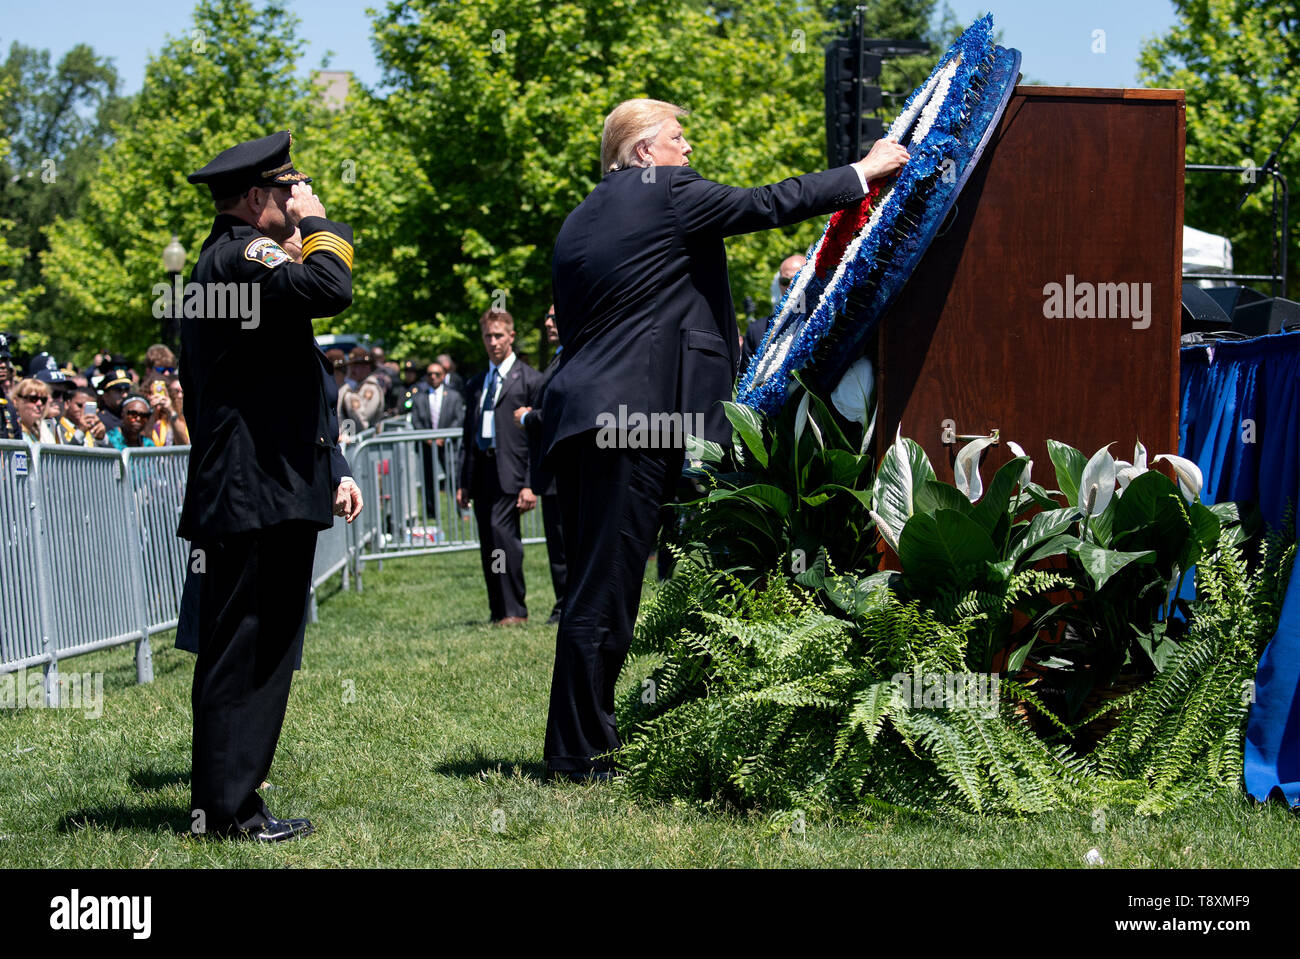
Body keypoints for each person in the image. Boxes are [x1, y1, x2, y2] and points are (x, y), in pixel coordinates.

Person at [540, 98, 909, 780]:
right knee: (608, 592)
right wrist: (862, 172)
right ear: (645, 151)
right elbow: (765, 203)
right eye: (678, 139)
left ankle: (576, 741)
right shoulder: (665, 191)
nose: (689, 151)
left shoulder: (582, 218)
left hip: (582, 418)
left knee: (597, 586)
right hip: (631, 422)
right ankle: (580, 754)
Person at [179, 129, 363, 842]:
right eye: (287, 191)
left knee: (258, 649)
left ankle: (228, 804)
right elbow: (331, 287)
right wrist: (320, 222)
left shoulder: (227, 264)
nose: (297, 200)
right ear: (256, 199)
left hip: (260, 487)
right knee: (247, 650)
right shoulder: (240, 256)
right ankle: (227, 812)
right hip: (252, 491)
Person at [456, 309, 544, 625]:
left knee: (503, 537)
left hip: (513, 472)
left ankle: (515, 609)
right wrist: (463, 482)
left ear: (511, 336)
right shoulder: (477, 383)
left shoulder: (530, 380)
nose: (493, 342)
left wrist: (531, 483)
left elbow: (537, 440)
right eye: (487, 336)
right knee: (489, 541)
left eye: (498, 336)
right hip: (482, 470)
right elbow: (468, 434)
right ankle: (498, 609)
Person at [514, 305, 567, 625]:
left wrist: (527, 417)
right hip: (553, 471)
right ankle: (564, 602)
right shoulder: (560, 357)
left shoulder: (571, 357)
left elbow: (560, 414)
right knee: (559, 544)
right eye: (547, 316)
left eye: (554, 316)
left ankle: (566, 605)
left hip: (563, 471)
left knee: (564, 544)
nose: (548, 322)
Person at [412, 359, 466, 515]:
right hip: (427, 445)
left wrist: (444, 436)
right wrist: (427, 437)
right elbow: (416, 419)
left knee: (455, 476)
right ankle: (431, 512)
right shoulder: (419, 397)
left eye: (437, 374)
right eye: (430, 374)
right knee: (428, 478)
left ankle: (461, 510)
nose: (433, 377)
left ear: (443, 376)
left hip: (448, 444)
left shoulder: (454, 396)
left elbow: (458, 418)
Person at [741, 252, 807, 369]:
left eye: (799, 277)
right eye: (785, 281)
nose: (791, 284)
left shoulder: (829, 315)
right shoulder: (756, 331)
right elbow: (744, 379)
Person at [11, 377, 57, 443]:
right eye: (33, 398)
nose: (40, 403)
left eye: (43, 400)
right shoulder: (11, 428)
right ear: (16, 401)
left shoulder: (40, 431)